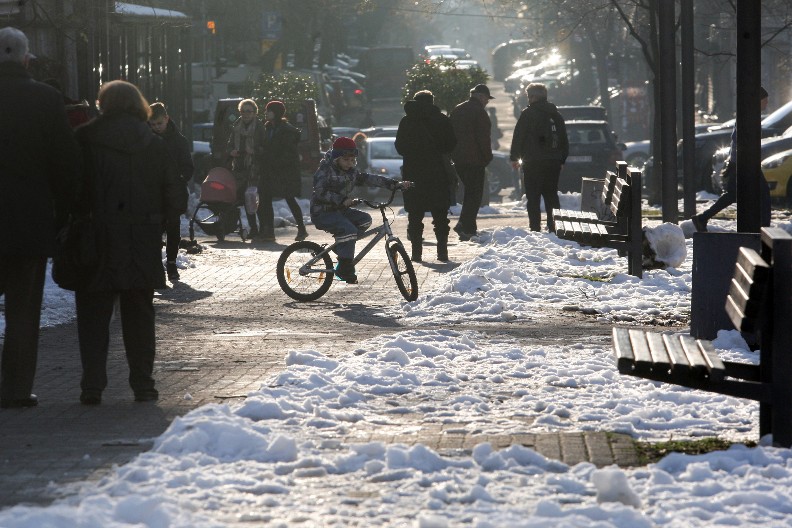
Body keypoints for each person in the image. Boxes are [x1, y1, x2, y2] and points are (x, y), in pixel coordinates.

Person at [73, 80, 185, 405]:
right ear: (140, 105)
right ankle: (143, 384)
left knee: (93, 315)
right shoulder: (154, 143)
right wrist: (158, 220)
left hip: (96, 239)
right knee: (139, 315)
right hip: (141, 240)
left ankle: (92, 386)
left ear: (102, 104)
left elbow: (70, 189)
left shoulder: (84, 139)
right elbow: (175, 197)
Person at [0, 27, 81, 409]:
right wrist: (64, 213)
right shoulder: (46, 99)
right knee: (22, 310)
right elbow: (65, 164)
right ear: (27, 59)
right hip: (27, 224)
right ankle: (15, 389)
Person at [310, 137, 412, 283]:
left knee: (365, 220)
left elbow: (369, 179)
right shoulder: (325, 170)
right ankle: (345, 268)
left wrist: (394, 184)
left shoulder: (351, 172)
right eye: (346, 160)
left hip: (340, 210)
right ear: (336, 158)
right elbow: (320, 191)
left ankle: (343, 248)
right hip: (323, 212)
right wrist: (342, 200)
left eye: (352, 160)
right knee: (349, 230)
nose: (349, 164)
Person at [691, 87, 771, 232]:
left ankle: (702, 218)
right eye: (765, 100)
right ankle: (765, 230)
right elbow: (738, 139)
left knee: (733, 195)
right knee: (763, 194)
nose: (767, 103)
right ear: (757, 101)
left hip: (741, 162)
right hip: (745, 163)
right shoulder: (749, 116)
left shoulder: (748, 115)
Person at [395, 90, 457, 262]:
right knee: (440, 217)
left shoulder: (406, 121)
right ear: (432, 101)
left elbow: (400, 147)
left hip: (413, 173)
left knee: (415, 215)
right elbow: (451, 144)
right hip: (438, 173)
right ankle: (442, 253)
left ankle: (416, 254)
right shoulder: (442, 120)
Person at [509, 82, 569, 232]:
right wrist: (562, 159)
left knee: (533, 196)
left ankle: (535, 227)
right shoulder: (555, 115)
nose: (528, 99)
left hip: (533, 162)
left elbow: (518, 137)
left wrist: (514, 157)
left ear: (534, 97)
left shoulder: (528, 114)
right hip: (553, 162)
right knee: (551, 196)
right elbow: (563, 139)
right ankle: (554, 226)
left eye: (529, 96)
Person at [149, 102, 192, 280]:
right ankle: (155, 264)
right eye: (153, 124)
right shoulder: (147, 139)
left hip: (173, 192)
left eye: (159, 123)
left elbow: (188, 167)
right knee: (154, 229)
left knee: (173, 228)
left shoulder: (179, 141)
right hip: (153, 193)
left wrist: (179, 179)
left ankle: (171, 263)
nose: (156, 127)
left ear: (167, 119)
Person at [257, 100, 308, 242]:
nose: (266, 113)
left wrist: (270, 156)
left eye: (269, 111)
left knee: (289, 198)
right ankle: (268, 231)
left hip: (284, 171)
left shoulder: (287, 130)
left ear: (277, 113)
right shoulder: (268, 128)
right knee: (265, 198)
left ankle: (302, 228)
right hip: (269, 170)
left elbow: (288, 153)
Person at [449, 84, 494, 241]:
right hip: (475, 160)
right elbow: (483, 138)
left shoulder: (457, 109)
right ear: (481, 97)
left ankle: (465, 224)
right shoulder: (479, 113)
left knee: (469, 193)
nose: (487, 102)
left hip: (459, 159)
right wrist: (487, 157)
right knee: (474, 194)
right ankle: (467, 227)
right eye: (487, 99)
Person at [227, 99, 265, 237]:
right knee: (243, 199)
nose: (245, 114)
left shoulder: (260, 127)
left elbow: (265, 147)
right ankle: (253, 228)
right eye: (243, 111)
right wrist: (231, 151)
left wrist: (254, 150)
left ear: (254, 113)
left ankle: (261, 229)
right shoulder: (237, 125)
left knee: (252, 197)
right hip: (239, 167)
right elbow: (230, 144)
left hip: (254, 167)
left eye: (248, 111)